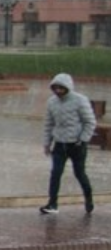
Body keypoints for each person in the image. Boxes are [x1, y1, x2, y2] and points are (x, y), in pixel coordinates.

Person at [41, 72, 96, 215]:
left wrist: (83, 139)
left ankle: (88, 198)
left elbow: (90, 122)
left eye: (61, 88)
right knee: (55, 173)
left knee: (79, 173)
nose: (58, 91)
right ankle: (52, 203)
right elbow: (49, 124)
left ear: (68, 88)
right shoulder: (51, 102)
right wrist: (47, 143)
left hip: (77, 145)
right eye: (55, 88)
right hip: (59, 144)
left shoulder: (80, 100)